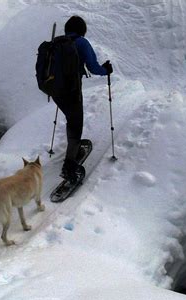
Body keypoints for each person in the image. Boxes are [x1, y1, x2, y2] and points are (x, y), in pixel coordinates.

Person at [52, 15, 113, 183]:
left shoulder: (57, 42)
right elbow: (93, 67)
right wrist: (106, 70)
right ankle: (69, 166)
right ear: (82, 30)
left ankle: (74, 150)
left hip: (55, 91)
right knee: (75, 123)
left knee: (71, 119)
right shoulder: (81, 42)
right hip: (72, 91)